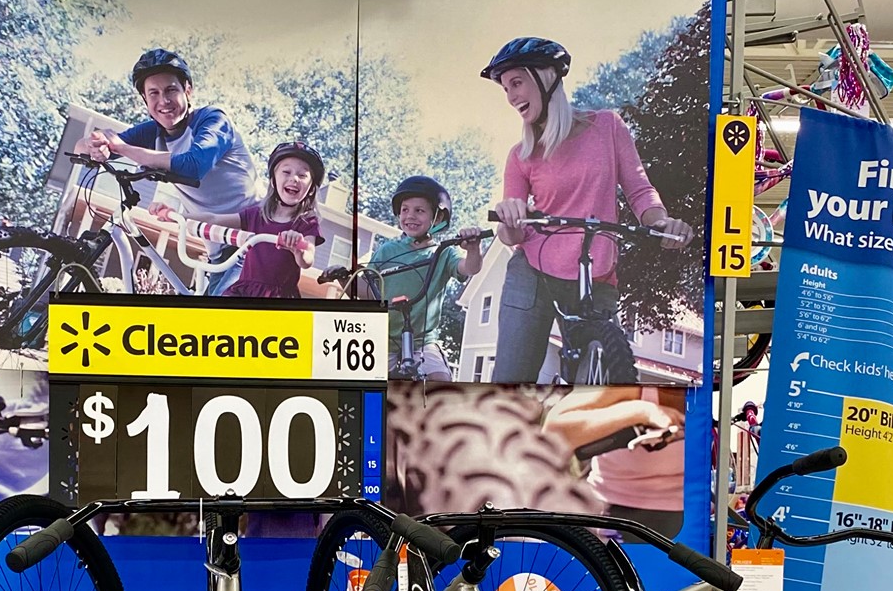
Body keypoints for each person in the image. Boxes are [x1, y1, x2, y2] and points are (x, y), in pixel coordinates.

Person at [483, 38, 692, 384]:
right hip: (533, 273)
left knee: (611, 374)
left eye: (516, 83)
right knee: (511, 382)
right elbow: (512, 235)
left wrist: (661, 222)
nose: (511, 96)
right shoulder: (520, 156)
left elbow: (640, 190)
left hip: (597, 273)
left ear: (546, 76)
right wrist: (509, 214)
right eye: (506, 89)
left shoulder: (607, 127)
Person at [87, 48, 257, 225]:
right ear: (145, 98)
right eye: (154, 93)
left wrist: (121, 147)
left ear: (187, 91)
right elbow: (81, 148)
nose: (164, 101)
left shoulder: (213, 120)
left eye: (171, 90)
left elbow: (193, 166)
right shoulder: (152, 131)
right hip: (210, 234)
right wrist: (97, 144)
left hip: (255, 230)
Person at [366, 177, 483, 382]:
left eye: (419, 210)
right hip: (385, 338)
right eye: (405, 210)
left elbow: (469, 268)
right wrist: (342, 277)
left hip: (423, 340)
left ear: (437, 218)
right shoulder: (387, 251)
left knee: (440, 381)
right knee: (371, 384)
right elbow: (366, 289)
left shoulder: (443, 252)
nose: (410, 215)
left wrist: (473, 248)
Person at [543, 384, 687, 537]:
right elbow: (552, 431)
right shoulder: (632, 384)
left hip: (690, 514)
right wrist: (643, 412)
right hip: (617, 511)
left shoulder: (703, 395)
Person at [227, 143, 340, 300]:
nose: (294, 178)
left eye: (302, 175)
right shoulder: (256, 215)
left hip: (278, 296)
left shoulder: (306, 222)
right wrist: (190, 215)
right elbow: (215, 219)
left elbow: (308, 258)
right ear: (273, 181)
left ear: (311, 189)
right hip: (244, 291)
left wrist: (299, 250)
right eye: (286, 172)